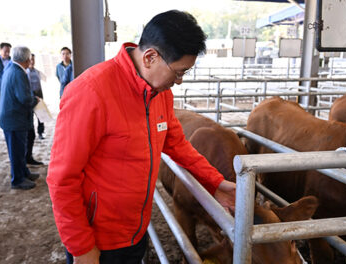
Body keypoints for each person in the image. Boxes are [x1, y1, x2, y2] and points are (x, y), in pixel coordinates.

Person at [47, 10, 236, 264]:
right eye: (178, 72)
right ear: (150, 57)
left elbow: (178, 144)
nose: (179, 82)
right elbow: (62, 179)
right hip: (99, 242)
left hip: (136, 231)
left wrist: (215, 183)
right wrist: (82, 248)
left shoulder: (160, 93)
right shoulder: (90, 92)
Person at [0, 46, 40, 190]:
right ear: (28, 59)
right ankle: (17, 180)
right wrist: (36, 100)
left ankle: (24, 172)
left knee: (20, 149)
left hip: (12, 117)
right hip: (14, 119)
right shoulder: (18, 73)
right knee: (17, 151)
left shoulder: (11, 67)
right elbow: (24, 99)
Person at [26, 53, 44, 165]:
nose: (32, 61)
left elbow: (39, 85)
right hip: (30, 97)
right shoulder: (24, 73)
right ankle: (27, 157)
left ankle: (41, 132)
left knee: (40, 116)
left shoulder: (37, 72)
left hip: (38, 95)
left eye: (33, 59)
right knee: (30, 122)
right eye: (30, 59)